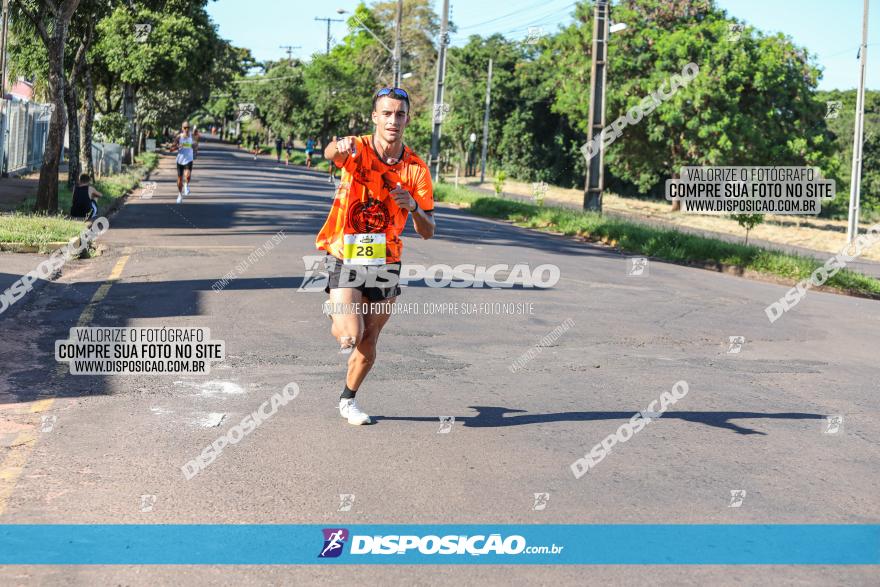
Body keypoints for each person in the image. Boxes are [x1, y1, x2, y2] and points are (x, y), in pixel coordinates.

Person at [316, 87, 436, 425]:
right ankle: (337, 311)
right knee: (349, 334)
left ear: (407, 119)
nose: (393, 120)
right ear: (375, 117)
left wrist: (412, 206)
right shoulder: (359, 148)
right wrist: (336, 146)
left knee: (369, 339)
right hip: (348, 252)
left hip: (386, 259)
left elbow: (428, 229)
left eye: (399, 114)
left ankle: (348, 400)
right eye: (386, 113)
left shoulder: (416, 169)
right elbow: (332, 155)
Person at [171, 120, 197, 204]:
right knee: (179, 180)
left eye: (188, 128)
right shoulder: (179, 137)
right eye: (185, 128)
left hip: (189, 159)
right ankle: (179, 195)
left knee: (187, 175)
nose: (186, 129)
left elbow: (196, 145)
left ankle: (186, 185)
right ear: (182, 128)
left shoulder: (192, 136)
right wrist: (178, 146)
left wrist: (195, 150)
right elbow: (171, 149)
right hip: (180, 160)